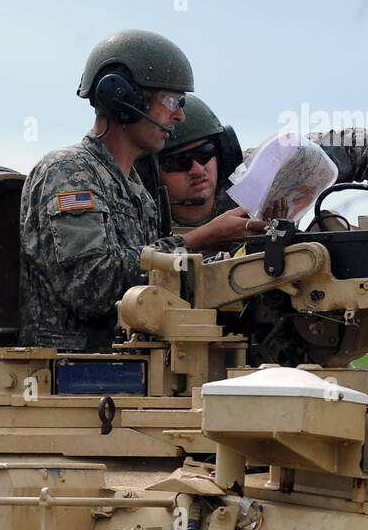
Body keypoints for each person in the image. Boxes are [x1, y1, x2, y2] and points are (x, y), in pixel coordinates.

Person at [18, 31, 251, 351]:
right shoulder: (68, 172)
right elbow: (93, 286)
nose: (179, 116)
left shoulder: (137, 190)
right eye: (171, 101)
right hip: (72, 377)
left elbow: (150, 280)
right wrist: (199, 240)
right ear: (124, 100)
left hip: (134, 371)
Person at [149, 95, 368, 235]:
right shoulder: (137, 210)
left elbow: (365, 146)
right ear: (151, 173)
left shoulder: (259, 172)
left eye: (205, 152)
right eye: (178, 162)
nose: (197, 168)